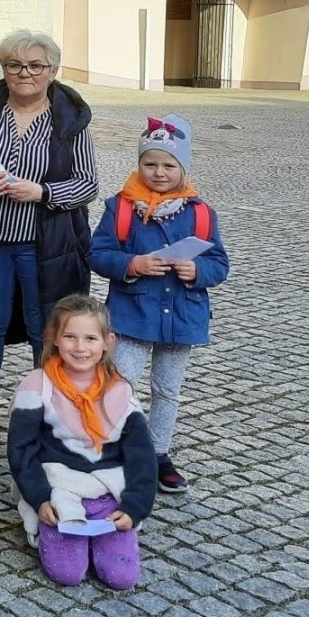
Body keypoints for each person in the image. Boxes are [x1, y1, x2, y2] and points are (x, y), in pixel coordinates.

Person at [0, 29, 99, 402]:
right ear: (4, 69)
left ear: (53, 71)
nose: (24, 73)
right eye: (14, 65)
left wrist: (42, 192)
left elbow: (88, 184)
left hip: (47, 247)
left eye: (35, 66)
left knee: (45, 329)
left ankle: (47, 411)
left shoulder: (69, 121)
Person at [89, 115, 229, 494]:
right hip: (132, 313)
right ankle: (116, 447)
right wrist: (133, 264)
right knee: (120, 383)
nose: (159, 172)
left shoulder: (199, 213)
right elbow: (98, 253)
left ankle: (158, 452)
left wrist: (196, 270)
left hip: (181, 317)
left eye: (169, 165)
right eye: (150, 163)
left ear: (183, 168)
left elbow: (219, 264)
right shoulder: (120, 208)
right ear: (138, 165)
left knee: (167, 391)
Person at [8, 295, 156, 590]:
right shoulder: (37, 386)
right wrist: (40, 499)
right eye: (70, 337)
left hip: (109, 492)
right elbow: (21, 450)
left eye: (90, 338)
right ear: (54, 338)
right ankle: (57, 534)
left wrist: (134, 507)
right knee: (68, 574)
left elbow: (142, 456)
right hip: (59, 490)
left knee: (121, 578)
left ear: (107, 342)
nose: (80, 347)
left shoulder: (121, 392)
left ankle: (104, 533)